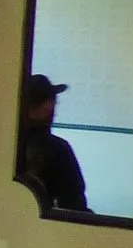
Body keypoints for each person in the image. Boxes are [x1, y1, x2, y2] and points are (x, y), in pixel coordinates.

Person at [16, 73, 89, 211]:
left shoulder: (4, 144)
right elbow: (74, 207)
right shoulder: (58, 150)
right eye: (53, 101)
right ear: (47, 105)